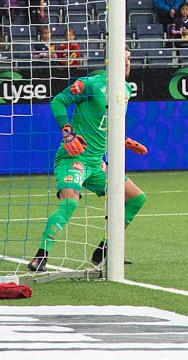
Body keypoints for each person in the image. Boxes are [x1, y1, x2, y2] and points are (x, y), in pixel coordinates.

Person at [27, 50, 147, 272]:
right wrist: (68, 133)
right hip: (74, 157)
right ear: (109, 61)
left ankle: (105, 249)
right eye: (123, 59)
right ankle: (41, 255)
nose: (127, 63)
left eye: (129, 59)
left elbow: (107, 123)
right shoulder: (90, 84)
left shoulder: (126, 89)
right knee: (70, 202)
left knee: (137, 198)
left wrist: (123, 140)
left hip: (96, 163)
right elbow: (58, 101)